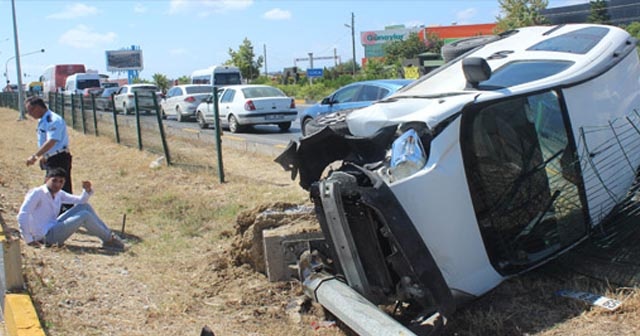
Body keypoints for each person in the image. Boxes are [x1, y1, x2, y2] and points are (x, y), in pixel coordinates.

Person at [16, 168, 124, 250]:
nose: (57, 184)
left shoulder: (59, 193)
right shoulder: (37, 193)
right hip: (45, 236)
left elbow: (81, 201)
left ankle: (109, 237)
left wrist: (87, 190)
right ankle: (109, 239)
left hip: (54, 226)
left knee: (85, 207)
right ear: (47, 179)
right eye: (54, 181)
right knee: (84, 216)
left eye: (61, 182)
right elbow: (23, 214)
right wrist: (29, 240)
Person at [24, 96, 73, 195]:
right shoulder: (43, 120)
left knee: (58, 190)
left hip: (59, 158)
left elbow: (52, 141)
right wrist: (44, 156)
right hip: (52, 158)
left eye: (30, 110)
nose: (29, 114)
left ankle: (67, 210)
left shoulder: (53, 120)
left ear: (38, 107)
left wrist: (35, 156)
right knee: (54, 191)